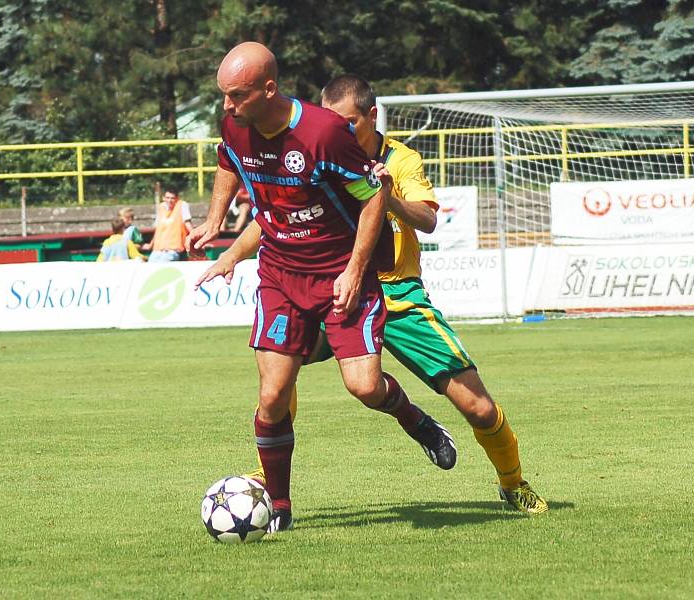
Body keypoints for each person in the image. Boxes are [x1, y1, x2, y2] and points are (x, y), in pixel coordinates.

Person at [198, 74, 548, 515]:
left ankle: (513, 483)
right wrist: (230, 253)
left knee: (476, 406)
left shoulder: (399, 160)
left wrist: (386, 194)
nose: (341, 129)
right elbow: (275, 218)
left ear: (371, 116)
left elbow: (427, 219)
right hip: (329, 287)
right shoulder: (315, 148)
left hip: (396, 294)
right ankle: (272, 484)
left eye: (350, 123)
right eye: (333, 121)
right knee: (277, 380)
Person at [186, 42, 456, 534]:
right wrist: (215, 221)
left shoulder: (324, 133)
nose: (227, 106)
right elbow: (228, 163)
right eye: (224, 96)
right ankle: (281, 510)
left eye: (237, 96)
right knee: (272, 395)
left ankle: (415, 420)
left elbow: (374, 199)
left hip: (339, 274)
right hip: (280, 276)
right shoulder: (236, 124)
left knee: (365, 387)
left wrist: (354, 271)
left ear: (269, 89)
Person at [144, 186, 192, 262]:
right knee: (149, 267)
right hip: (158, 250)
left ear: (177, 198)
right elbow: (158, 230)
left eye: (172, 198)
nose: (169, 200)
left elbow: (188, 224)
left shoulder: (182, 205)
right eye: (167, 198)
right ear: (164, 198)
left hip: (173, 250)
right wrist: (150, 245)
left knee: (163, 267)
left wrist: (197, 239)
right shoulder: (161, 208)